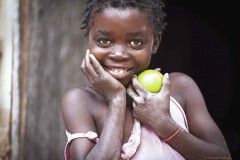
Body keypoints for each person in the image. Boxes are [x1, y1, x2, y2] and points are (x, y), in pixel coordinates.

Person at [61, 0, 231, 159]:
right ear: (88, 41)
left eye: (135, 42)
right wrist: (116, 100)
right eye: (104, 41)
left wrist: (164, 124)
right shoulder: (80, 101)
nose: (119, 54)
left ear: (155, 43)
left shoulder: (179, 88)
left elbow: (223, 156)